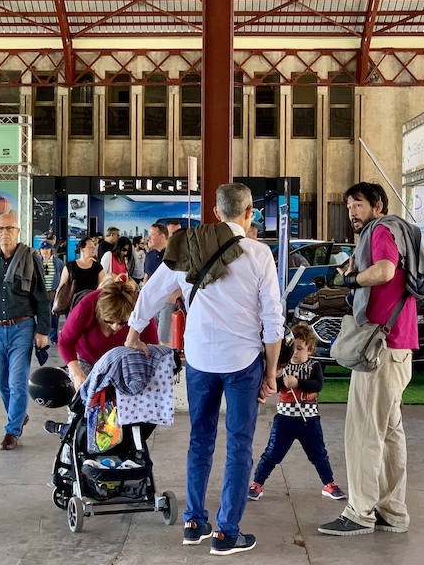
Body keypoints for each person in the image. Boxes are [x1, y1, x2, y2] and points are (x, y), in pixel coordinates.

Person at [125, 183, 284, 556]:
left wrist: (134, 333)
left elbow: (153, 292)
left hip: (198, 359)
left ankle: (194, 522)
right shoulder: (259, 254)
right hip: (243, 362)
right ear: (249, 214)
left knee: (200, 439)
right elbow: (273, 321)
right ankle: (227, 532)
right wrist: (272, 371)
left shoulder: (187, 247)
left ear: (215, 212)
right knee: (239, 444)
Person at [318, 182, 420, 537]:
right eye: (348, 207)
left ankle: (360, 512)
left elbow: (385, 271)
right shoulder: (400, 230)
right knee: (389, 432)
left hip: (380, 349)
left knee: (363, 432)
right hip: (398, 347)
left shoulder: (380, 230)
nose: (352, 213)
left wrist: (351, 279)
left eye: (358, 205)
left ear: (377, 204)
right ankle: (392, 511)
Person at [0, 212, 51, 450]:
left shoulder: (30, 259)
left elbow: (41, 298)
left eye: (9, 228)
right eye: (0, 229)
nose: (4, 232)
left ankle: (12, 430)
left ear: (17, 231)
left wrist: (43, 330)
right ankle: (17, 414)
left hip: (22, 328)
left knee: (16, 383)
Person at [248, 323, 345, 502]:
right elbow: (274, 388)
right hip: (284, 420)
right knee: (272, 453)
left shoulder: (314, 366)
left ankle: (329, 483)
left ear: (310, 349)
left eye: (299, 349)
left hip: (309, 420)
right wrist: (278, 379)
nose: (295, 352)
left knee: (318, 454)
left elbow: (318, 385)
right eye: (293, 348)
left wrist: (297, 383)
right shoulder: (283, 366)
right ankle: (257, 484)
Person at [57, 278, 159, 390]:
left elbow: (152, 347)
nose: (115, 327)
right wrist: (77, 373)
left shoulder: (141, 310)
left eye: (123, 323)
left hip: (122, 362)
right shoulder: (87, 305)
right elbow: (65, 342)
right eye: (109, 322)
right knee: (83, 394)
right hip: (87, 358)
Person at [56, 237, 105, 307]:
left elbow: (101, 287)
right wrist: (56, 304)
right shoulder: (70, 266)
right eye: (90, 247)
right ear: (82, 249)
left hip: (91, 304)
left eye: (94, 246)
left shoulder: (98, 267)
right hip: (73, 305)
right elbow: (61, 286)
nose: (93, 248)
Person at [37, 241, 64, 344]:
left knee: (54, 316)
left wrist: (59, 289)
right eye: (43, 249)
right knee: (42, 315)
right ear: (40, 250)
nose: (45, 251)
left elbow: (63, 276)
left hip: (53, 293)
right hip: (41, 293)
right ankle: (41, 335)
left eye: (47, 249)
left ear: (51, 250)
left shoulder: (58, 262)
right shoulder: (37, 261)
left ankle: (53, 337)